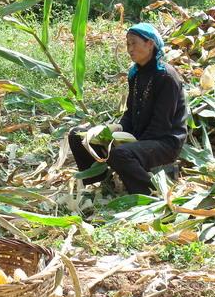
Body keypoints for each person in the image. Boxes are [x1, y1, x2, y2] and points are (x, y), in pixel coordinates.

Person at [68, 23, 187, 195]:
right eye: (127, 44)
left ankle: (149, 193)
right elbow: (130, 113)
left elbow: (161, 125)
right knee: (78, 135)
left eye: (133, 43)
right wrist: (116, 130)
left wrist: (129, 144)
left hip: (164, 143)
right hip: (138, 139)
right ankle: (100, 184)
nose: (129, 49)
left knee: (120, 154)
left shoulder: (166, 77)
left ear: (150, 44)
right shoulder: (136, 74)